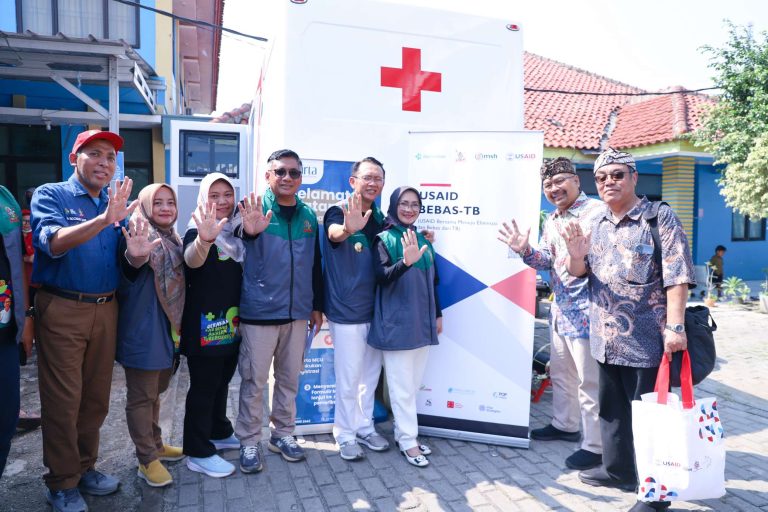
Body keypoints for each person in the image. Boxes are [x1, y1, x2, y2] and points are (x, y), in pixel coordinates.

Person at [563, 148, 695, 512]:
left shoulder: (658, 217)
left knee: (653, 420)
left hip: (649, 342)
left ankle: (656, 493)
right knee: (613, 412)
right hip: (605, 339)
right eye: (602, 177)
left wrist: (676, 326)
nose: (609, 182)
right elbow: (580, 273)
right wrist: (575, 255)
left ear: (634, 177)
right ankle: (619, 470)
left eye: (617, 175)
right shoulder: (597, 223)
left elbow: (678, 275)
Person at [30, 129, 136, 512]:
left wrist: (137, 252)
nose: (105, 162)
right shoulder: (51, 194)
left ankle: (85, 468)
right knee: (63, 400)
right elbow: (53, 242)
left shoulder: (114, 202)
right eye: (95, 154)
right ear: (75, 158)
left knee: (95, 398)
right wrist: (105, 219)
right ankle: (61, 482)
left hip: (106, 309)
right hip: (63, 308)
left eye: (111, 157)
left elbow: (128, 255)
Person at [498, 157, 604, 471]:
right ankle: (565, 425)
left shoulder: (596, 213)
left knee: (590, 383)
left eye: (560, 182)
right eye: (548, 185)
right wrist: (525, 250)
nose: (554, 189)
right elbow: (545, 261)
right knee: (561, 376)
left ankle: (596, 445)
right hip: (561, 311)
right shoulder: (553, 219)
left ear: (576, 180)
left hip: (590, 311)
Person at [235, 149, 323, 473]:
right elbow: (237, 244)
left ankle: (282, 434)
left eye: (294, 173)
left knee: (288, 380)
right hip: (259, 312)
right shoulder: (252, 209)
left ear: (301, 178)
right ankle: (247, 441)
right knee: (254, 381)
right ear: (268, 175)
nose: (287, 178)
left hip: (297, 314)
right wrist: (250, 232)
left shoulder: (309, 216)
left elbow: (315, 265)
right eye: (280, 172)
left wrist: (316, 306)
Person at [116, 184, 186, 487]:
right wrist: (135, 258)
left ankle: (156, 443)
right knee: (142, 397)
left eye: (170, 202)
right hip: (143, 329)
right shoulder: (137, 235)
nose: (166, 208)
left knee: (155, 392)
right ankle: (146, 459)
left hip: (167, 330)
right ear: (145, 206)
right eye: (157, 202)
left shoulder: (173, 238)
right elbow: (129, 269)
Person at [323, 157, 390, 461]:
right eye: (367, 177)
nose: (373, 183)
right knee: (348, 377)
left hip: (375, 310)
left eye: (378, 178)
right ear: (354, 182)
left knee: (370, 376)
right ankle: (345, 433)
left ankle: (364, 427)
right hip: (346, 311)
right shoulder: (338, 211)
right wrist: (348, 229)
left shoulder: (382, 218)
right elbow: (334, 233)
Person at [368, 186, 441, 468]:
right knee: (400, 389)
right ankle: (409, 442)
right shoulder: (383, 238)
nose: (409, 209)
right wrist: (405, 263)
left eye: (415, 204)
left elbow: (434, 281)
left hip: (422, 323)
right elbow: (382, 277)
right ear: (394, 205)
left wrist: (438, 314)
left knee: (412, 386)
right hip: (396, 324)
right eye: (404, 203)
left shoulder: (424, 240)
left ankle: (404, 434)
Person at [181, 172, 245, 479]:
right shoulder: (197, 232)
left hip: (230, 325)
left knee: (222, 383)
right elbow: (192, 261)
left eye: (227, 195)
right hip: (204, 328)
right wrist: (206, 239)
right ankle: (197, 450)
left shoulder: (235, 234)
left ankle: (218, 431)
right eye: (214, 195)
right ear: (203, 199)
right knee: (204, 387)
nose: (221, 201)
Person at [0, 185, 33, 478]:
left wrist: (25, 320)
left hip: (5, 335)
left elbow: (18, 266)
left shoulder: (6, 200)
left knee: (6, 419)